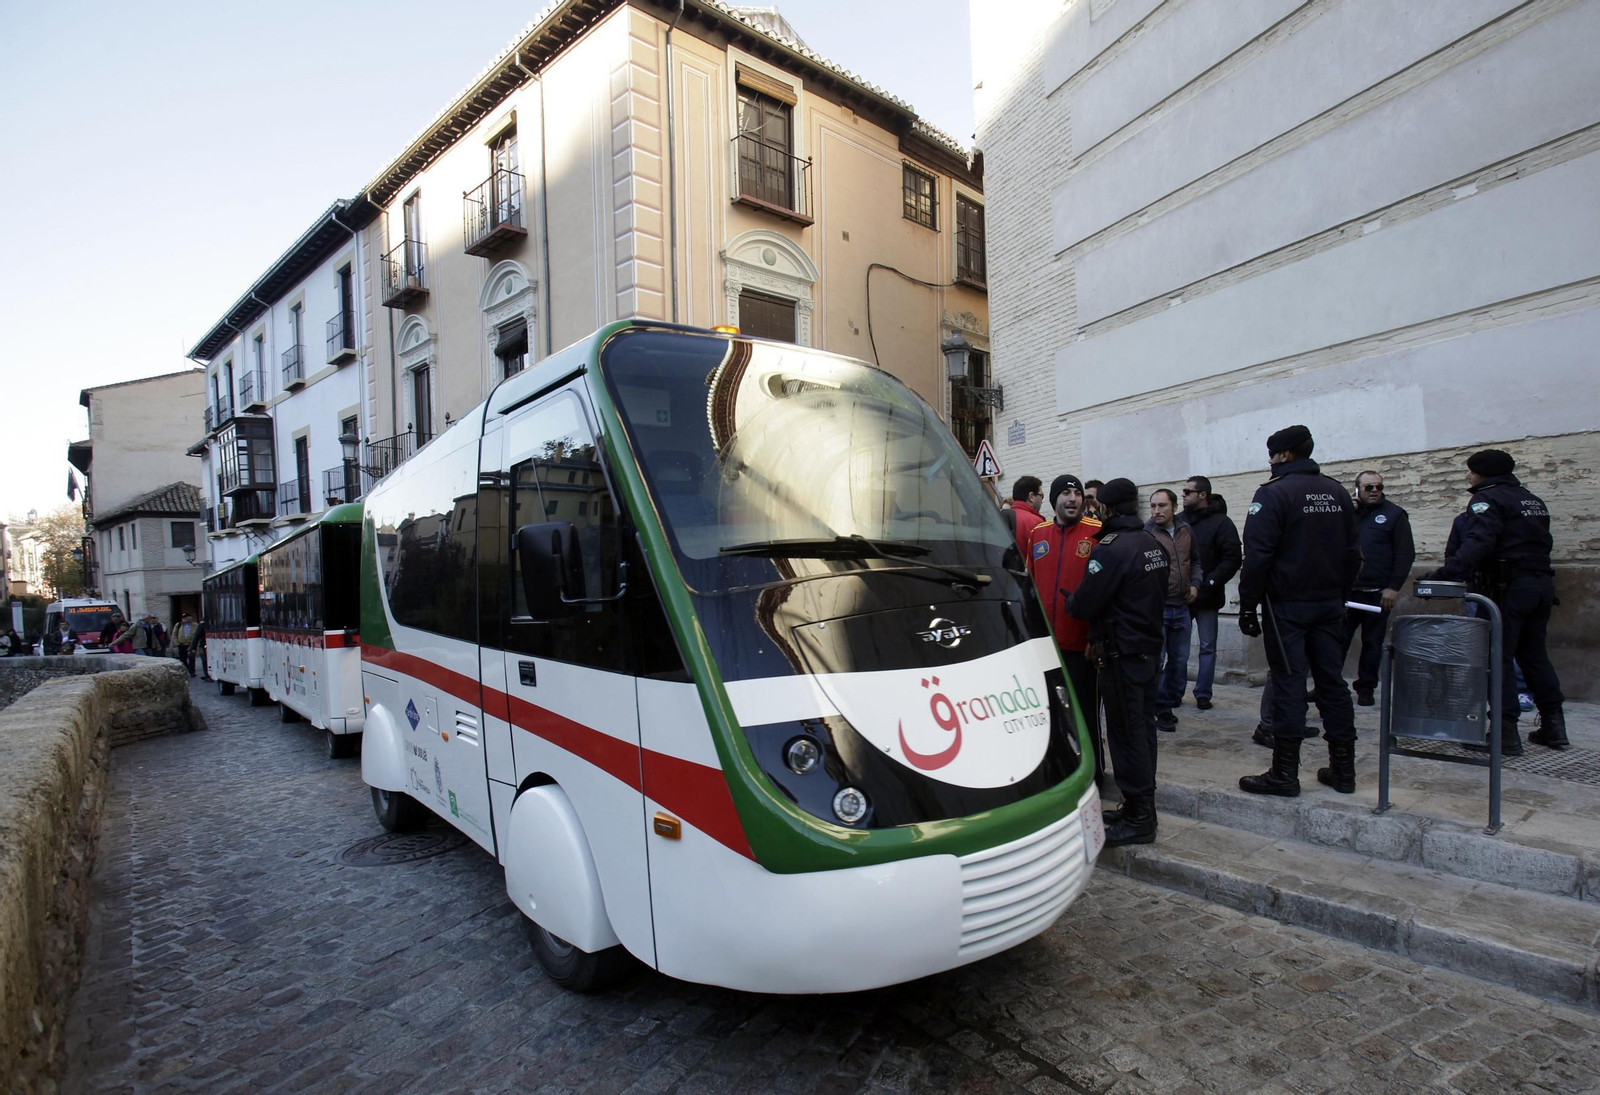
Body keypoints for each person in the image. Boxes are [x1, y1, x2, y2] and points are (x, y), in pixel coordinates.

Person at [1237, 425, 1362, 796]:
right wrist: (1340, 593)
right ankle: (1343, 770)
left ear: (1285, 455)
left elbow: (1257, 556)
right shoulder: (1337, 491)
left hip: (1287, 605)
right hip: (1329, 603)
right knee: (1332, 684)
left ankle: (1284, 773)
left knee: (1290, 683)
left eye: (1273, 454)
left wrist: (1248, 604)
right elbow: (1354, 553)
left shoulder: (1273, 494)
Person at [1426, 449, 1565, 752]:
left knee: (1497, 659)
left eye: (1471, 472)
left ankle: (1505, 735)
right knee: (1534, 657)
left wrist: (1445, 573)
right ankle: (1555, 728)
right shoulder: (1531, 500)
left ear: (1483, 474)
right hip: (1539, 586)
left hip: (1508, 589)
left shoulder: (1487, 498)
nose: (1469, 477)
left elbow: (1481, 541)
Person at [1064, 478, 1169, 845]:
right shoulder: (1151, 542)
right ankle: (1140, 805)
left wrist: (1070, 601)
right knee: (1144, 729)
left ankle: (1140, 817)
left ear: (1105, 509)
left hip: (1122, 653)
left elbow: (1085, 603)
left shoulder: (1112, 548)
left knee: (1126, 734)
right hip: (1149, 649)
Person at [1027, 475, 1104, 785]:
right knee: (1052, 713)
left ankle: (1094, 773)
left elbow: (1103, 590)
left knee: (1085, 715)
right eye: (1066, 494)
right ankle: (1060, 769)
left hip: (1082, 645)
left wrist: (1095, 635)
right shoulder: (1037, 533)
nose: (1072, 499)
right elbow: (1029, 585)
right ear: (1054, 500)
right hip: (1046, 646)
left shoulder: (1097, 533)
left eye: (1077, 494)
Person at [1342, 471, 1414, 706]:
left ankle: (1366, 688)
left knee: (1372, 643)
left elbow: (1405, 554)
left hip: (1378, 592)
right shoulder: (1347, 514)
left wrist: (1393, 587)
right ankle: (1330, 686)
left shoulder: (1394, 515)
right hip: (1347, 591)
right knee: (1335, 641)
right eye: (1368, 488)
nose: (1374, 491)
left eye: (1379, 487)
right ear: (1356, 490)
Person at [1182, 476, 1241, 710]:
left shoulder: (1222, 523)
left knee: (1207, 646)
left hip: (1208, 596)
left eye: (1188, 491)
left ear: (1203, 495)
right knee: (1177, 648)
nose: (1184, 494)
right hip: (1181, 597)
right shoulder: (1178, 521)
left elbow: (1232, 558)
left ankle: (1203, 693)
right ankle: (1172, 691)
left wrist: (1209, 583)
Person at [1145, 489, 1201, 731]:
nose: (1157, 511)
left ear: (1174, 507)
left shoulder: (1185, 530)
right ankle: (1161, 707)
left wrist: (1196, 585)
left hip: (1182, 606)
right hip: (1159, 608)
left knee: (1179, 660)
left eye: (1162, 506)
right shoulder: (1147, 533)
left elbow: (1196, 560)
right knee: (1158, 660)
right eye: (1153, 506)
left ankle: (1169, 698)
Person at [1008, 476, 1046, 559]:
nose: (1042, 501)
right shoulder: (1035, 522)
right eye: (1041, 496)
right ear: (1031, 496)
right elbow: (1042, 560)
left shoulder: (1000, 517)